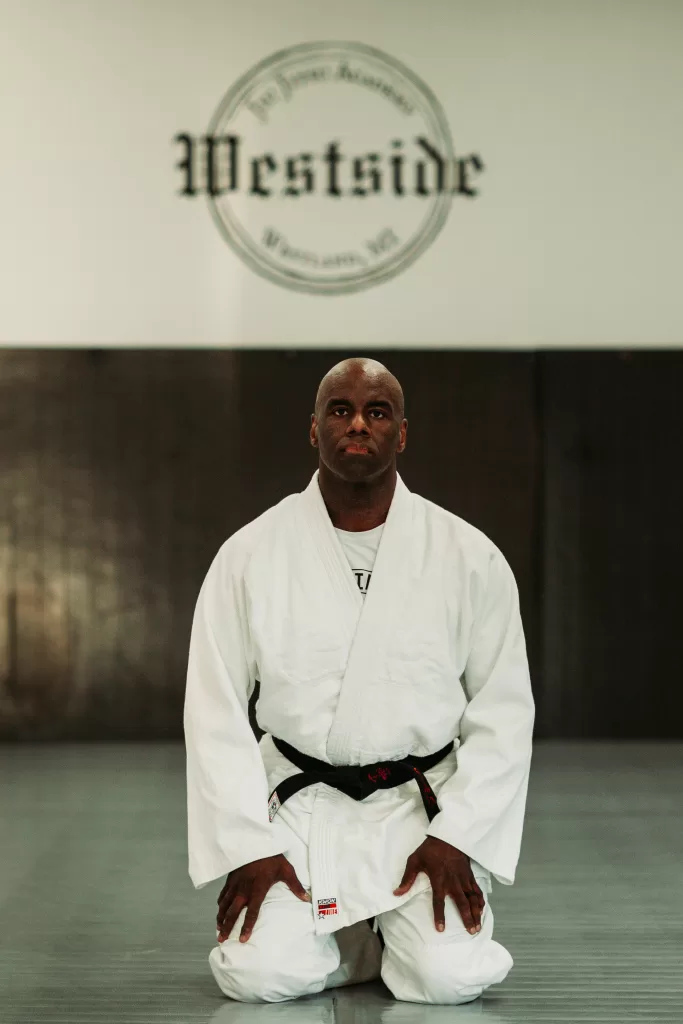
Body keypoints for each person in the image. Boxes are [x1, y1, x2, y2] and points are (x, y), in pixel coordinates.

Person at [183, 357, 535, 1005]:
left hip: (418, 806)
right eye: (339, 410)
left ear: (401, 433)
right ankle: (356, 943)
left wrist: (457, 836)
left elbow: (503, 712)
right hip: (297, 806)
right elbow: (214, 709)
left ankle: (375, 929)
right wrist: (246, 845)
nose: (357, 425)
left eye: (376, 412)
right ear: (312, 429)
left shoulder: (467, 555)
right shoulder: (251, 553)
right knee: (256, 978)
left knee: (446, 979)